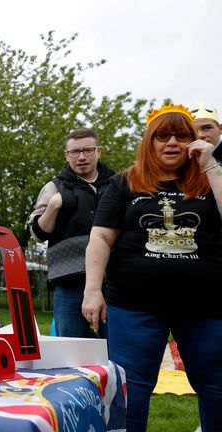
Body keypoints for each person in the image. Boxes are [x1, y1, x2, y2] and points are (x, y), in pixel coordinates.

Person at [82, 104, 222, 432]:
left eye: (182, 135)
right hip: (133, 305)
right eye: (163, 135)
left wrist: (212, 165)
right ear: (150, 141)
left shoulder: (210, 178)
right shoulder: (123, 184)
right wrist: (92, 290)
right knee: (131, 388)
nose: (172, 142)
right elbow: (101, 238)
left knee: (216, 386)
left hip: (206, 306)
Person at [27, 128, 115, 338]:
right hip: (68, 282)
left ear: (99, 151)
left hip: (112, 281)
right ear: (66, 155)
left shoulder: (117, 184)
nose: (81, 157)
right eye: (75, 152)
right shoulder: (53, 187)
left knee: (114, 348)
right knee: (70, 349)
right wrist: (53, 207)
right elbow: (38, 234)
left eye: (87, 150)